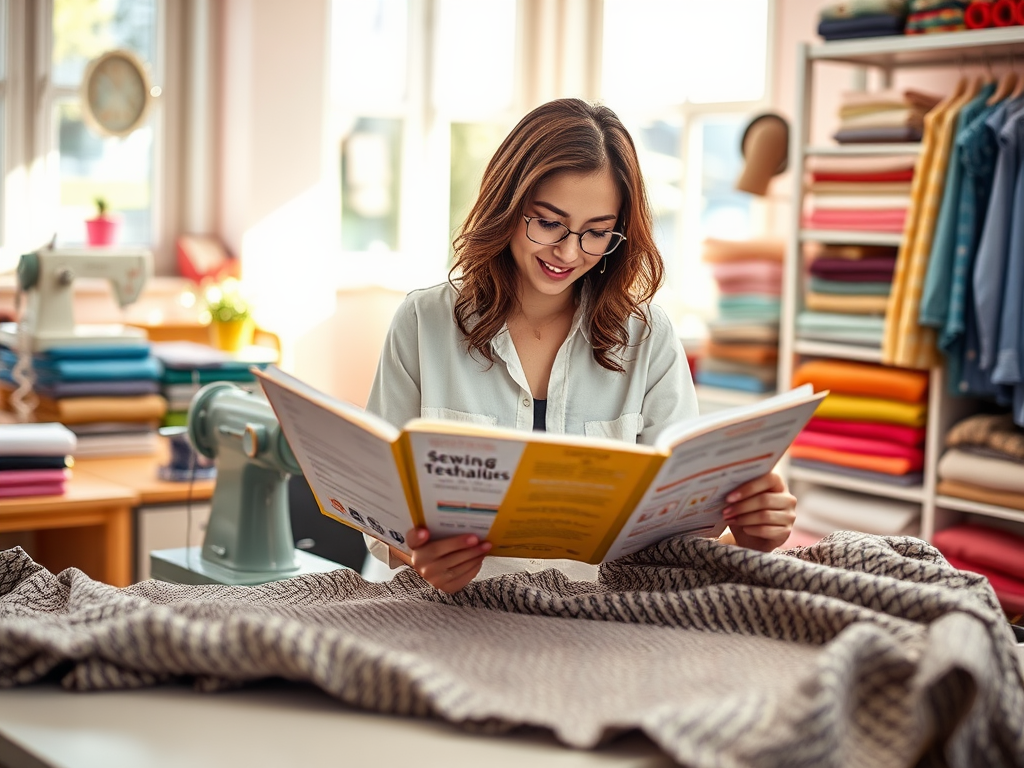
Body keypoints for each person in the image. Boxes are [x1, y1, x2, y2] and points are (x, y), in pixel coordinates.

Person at [365, 98, 797, 593]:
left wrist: (746, 533)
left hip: (593, 621)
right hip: (441, 611)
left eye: (596, 233)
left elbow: (679, 530)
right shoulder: (423, 322)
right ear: (506, 205)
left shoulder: (648, 337)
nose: (569, 253)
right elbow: (381, 516)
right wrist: (419, 557)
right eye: (548, 223)